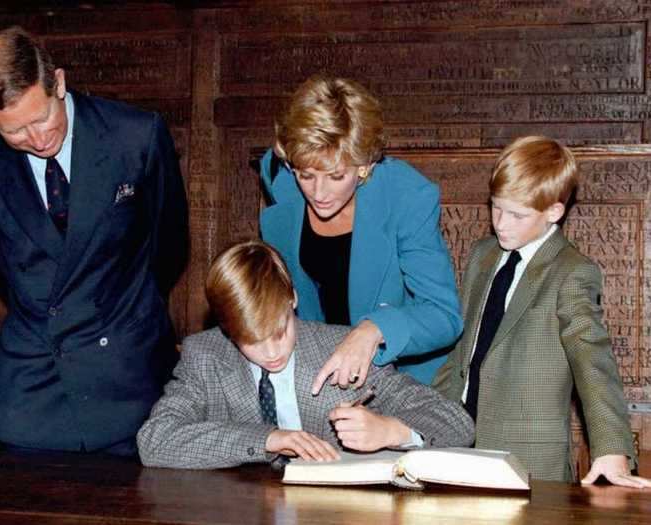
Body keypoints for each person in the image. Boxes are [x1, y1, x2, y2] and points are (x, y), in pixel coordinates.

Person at [0, 26, 188, 455]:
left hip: (127, 373)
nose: (38, 139)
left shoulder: (135, 136)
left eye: (41, 118)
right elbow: (1, 265)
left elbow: (169, 246)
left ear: (58, 82)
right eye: (15, 132)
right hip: (35, 383)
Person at [137, 240, 473, 469]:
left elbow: (458, 424)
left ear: (293, 299)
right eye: (250, 341)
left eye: (279, 332)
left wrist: (393, 431)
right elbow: (155, 440)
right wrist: (268, 439)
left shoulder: (343, 350)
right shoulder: (205, 355)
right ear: (227, 329)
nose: (270, 353)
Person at [432, 136, 650, 487]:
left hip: (530, 462)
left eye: (517, 215)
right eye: (495, 207)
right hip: (455, 445)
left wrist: (612, 450)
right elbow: (462, 353)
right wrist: (424, 421)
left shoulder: (572, 272)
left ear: (554, 212)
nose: (501, 223)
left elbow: (592, 358)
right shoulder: (482, 255)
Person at [259, 75, 462, 392]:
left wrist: (374, 329)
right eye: (307, 175)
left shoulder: (405, 197)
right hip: (320, 372)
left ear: (364, 165)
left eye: (337, 176)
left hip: (404, 379)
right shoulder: (283, 181)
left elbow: (444, 316)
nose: (319, 192)